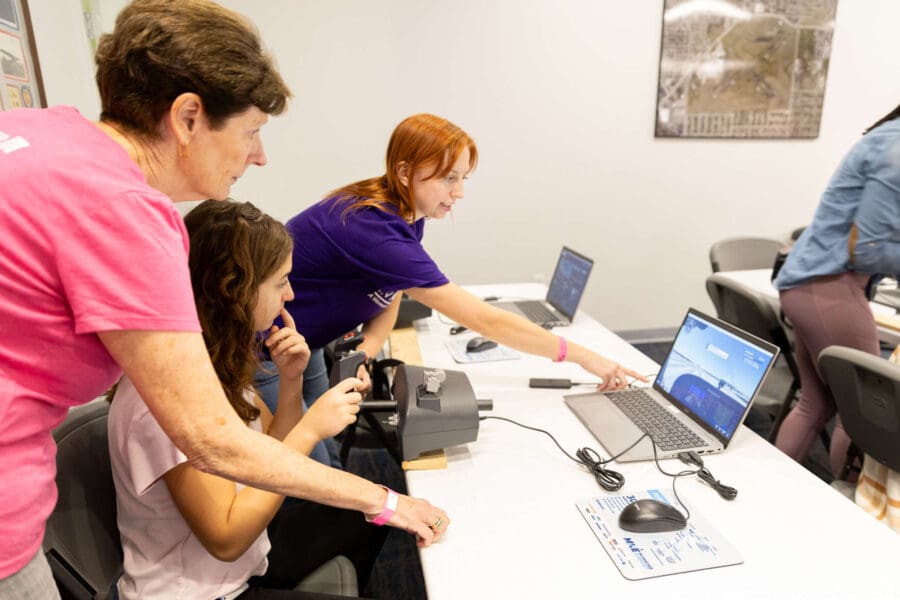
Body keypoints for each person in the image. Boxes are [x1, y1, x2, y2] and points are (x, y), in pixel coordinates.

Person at [0, 2, 445, 597]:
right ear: (188, 117)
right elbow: (209, 439)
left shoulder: (47, 134)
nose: (258, 156)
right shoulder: (123, 210)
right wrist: (386, 501)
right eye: (252, 131)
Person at [259, 113, 646, 418]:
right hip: (263, 350)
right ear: (406, 172)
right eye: (448, 178)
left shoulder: (405, 212)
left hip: (301, 344)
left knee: (320, 441)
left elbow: (391, 290)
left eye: (462, 178)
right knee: (302, 463)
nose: (458, 192)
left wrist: (368, 351)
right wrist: (586, 358)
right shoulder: (374, 229)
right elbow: (488, 322)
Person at [110, 200, 389, 599]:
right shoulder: (167, 399)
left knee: (363, 520)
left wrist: (291, 382)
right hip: (202, 590)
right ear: (234, 287)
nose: (290, 295)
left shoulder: (215, 358)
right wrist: (310, 430)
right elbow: (226, 538)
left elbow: (267, 453)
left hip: (244, 560)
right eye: (280, 282)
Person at [773, 103, 900, 475]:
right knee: (858, 416)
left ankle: (771, 490)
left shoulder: (886, 139)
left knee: (815, 404)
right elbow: (869, 248)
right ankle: (849, 511)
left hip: (809, 286)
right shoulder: (895, 148)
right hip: (827, 288)